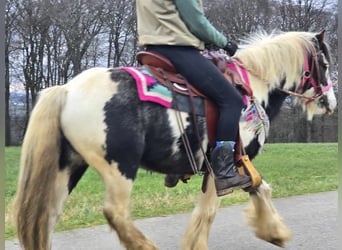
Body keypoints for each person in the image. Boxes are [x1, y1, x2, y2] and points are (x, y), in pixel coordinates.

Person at [136, 0, 251, 197]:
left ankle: (179, 164)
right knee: (231, 101)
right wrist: (225, 43)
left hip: (152, 50)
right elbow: (197, 23)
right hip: (178, 50)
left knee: (195, 100)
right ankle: (224, 172)